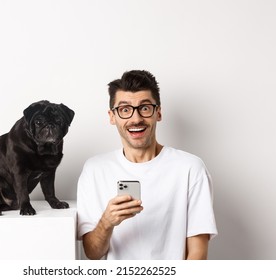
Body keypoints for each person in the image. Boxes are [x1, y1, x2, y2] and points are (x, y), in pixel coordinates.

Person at [77, 70, 217, 260]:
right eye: (125, 109)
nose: (136, 119)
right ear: (112, 116)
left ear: (158, 112)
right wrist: (107, 222)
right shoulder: (94, 170)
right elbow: (92, 253)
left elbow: (197, 254)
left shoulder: (190, 168)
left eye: (144, 108)